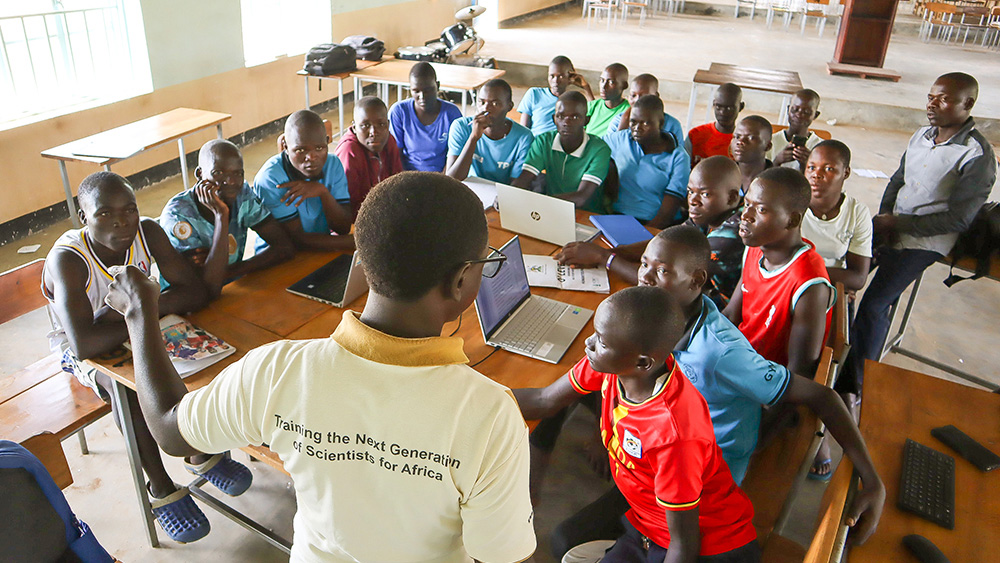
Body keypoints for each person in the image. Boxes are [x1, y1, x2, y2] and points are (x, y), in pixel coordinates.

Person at [103, 172, 536, 562]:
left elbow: (169, 430)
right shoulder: (489, 413)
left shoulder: (277, 369)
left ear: (362, 264)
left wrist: (141, 312)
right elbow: (500, 555)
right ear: (462, 281)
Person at [41, 172, 251, 544]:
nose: (121, 222)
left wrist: (136, 311)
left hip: (128, 326)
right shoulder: (69, 261)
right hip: (82, 354)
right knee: (128, 388)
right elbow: (83, 344)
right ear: (82, 214)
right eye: (104, 213)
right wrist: (142, 309)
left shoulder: (147, 232)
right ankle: (161, 486)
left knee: (197, 359)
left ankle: (200, 449)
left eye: (129, 210)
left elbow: (196, 293)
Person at [640, 227, 884, 507]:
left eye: (662, 271)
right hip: (673, 432)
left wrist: (872, 480)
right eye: (645, 264)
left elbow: (822, 395)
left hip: (710, 463)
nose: (644, 277)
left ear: (696, 281)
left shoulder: (720, 353)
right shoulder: (661, 313)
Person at [515, 287, 761, 561]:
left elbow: (684, 544)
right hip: (646, 524)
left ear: (642, 362)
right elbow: (544, 399)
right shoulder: (618, 364)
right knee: (568, 548)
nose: (589, 344)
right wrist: (474, 398)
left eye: (602, 342)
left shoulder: (673, 434)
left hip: (707, 545)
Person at [840, 72, 996, 446]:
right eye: (930, 96)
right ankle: (833, 355)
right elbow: (897, 180)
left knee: (875, 303)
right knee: (841, 275)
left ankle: (857, 382)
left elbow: (959, 218)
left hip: (928, 241)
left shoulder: (976, 154)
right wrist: (883, 221)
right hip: (895, 227)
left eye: (942, 99)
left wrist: (902, 224)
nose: (931, 104)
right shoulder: (922, 135)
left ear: (967, 105)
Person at [556, 156, 744, 309]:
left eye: (705, 194)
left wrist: (603, 257)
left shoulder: (730, 237)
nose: (693, 201)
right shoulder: (709, 215)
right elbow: (665, 244)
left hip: (709, 313)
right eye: (690, 192)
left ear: (732, 197)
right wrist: (613, 252)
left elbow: (664, 285)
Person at [723, 167, 833, 377]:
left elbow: (799, 371)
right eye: (747, 204)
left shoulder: (808, 283)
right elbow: (731, 314)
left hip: (766, 382)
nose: (745, 216)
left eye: (761, 210)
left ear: (792, 220)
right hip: (739, 360)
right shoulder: (756, 247)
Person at [160, 140, 294, 298]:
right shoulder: (178, 215)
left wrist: (229, 270)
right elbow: (209, 288)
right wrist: (221, 216)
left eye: (238, 173)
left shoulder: (242, 194)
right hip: (185, 303)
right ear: (200, 174)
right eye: (218, 173)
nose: (230, 181)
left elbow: (285, 247)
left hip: (231, 290)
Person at [252, 110, 354, 252]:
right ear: (286, 146)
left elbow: (342, 227)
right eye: (300, 150)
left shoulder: (333, 164)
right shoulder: (270, 179)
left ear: (327, 141)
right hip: (278, 259)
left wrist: (323, 192)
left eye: (319, 148)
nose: (311, 157)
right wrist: (356, 242)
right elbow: (297, 240)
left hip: (322, 248)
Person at [512, 91, 612, 213]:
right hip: (551, 210)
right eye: (560, 116)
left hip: (587, 214)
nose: (566, 123)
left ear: (586, 120)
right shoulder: (544, 141)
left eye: (574, 117)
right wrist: (507, 197)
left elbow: (581, 197)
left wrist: (540, 204)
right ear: (554, 119)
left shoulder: (599, 149)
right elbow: (524, 178)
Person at [605, 95, 690, 228]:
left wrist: (644, 237)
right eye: (633, 122)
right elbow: (591, 148)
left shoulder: (677, 157)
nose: (637, 128)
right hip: (615, 217)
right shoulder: (619, 140)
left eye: (645, 123)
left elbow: (667, 213)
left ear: (661, 124)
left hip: (652, 224)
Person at [802, 140, 872, 294]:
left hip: (829, 289)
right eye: (811, 167)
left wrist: (801, 273)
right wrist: (840, 279)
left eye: (828, 168)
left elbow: (858, 278)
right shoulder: (792, 204)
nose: (816, 175)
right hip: (790, 286)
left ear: (845, 173)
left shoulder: (857, 213)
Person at [446, 78, 533, 184]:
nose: (485, 108)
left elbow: (515, 184)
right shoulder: (461, 127)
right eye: (481, 102)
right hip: (468, 190)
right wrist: (473, 138)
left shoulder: (523, 137)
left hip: (501, 194)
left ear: (509, 106)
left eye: (495, 104)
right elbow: (452, 179)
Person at [388, 62, 463, 172]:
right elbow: (395, 154)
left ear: (437, 86)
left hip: (442, 178)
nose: (422, 96)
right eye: (416, 91)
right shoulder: (399, 112)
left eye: (427, 90)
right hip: (408, 177)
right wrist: (406, 179)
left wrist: (444, 180)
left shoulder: (451, 113)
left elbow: (456, 155)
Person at [335, 96, 404, 214]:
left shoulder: (389, 140)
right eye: (365, 125)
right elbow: (348, 204)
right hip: (358, 218)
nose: (373, 132)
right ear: (355, 127)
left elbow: (398, 182)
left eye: (381, 124)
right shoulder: (349, 151)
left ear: (387, 125)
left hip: (384, 210)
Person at [606, 73, 685, 148]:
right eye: (633, 95)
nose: (637, 100)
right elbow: (609, 151)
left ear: (656, 96)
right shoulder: (618, 121)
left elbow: (679, 156)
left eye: (644, 96)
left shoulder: (672, 125)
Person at [518, 55, 578, 136]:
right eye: (552, 76)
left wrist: (586, 87)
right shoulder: (534, 94)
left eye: (560, 76)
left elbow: (595, 114)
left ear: (570, 76)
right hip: (536, 144)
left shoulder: (573, 100)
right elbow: (523, 130)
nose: (555, 81)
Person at [685, 83, 744, 165]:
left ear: (740, 107)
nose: (723, 112)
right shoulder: (695, 135)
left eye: (729, 108)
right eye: (718, 107)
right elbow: (682, 168)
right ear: (713, 104)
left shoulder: (743, 142)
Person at [769, 89, 823, 172]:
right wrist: (777, 162)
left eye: (806, 112)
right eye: (795, 109)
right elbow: (761, 176)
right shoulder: (771, 141)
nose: (799, 114)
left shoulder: (819, 147)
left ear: (815, 115)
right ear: (788, 110)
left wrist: (807, 165)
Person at [731, 115, 774, 195]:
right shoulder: (723, 175)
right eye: (737, 136)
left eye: (751, 138)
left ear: (768, 146)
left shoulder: (775, 182)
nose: (740, 142)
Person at [584, 63, 630, 136]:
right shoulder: (593, 106)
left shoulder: (627, 112)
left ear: (624, 85)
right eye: (602, 80)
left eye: (611, 82)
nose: (604, 86)